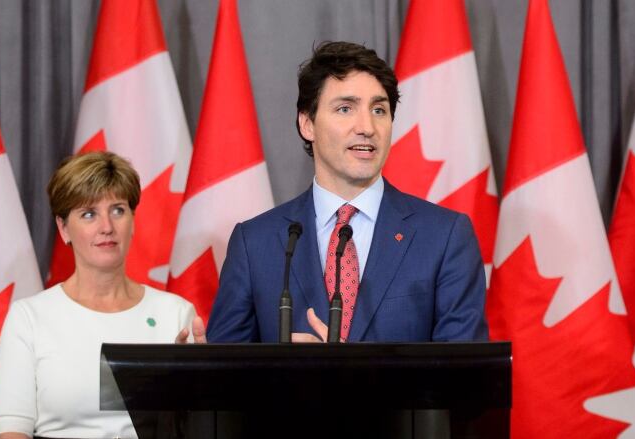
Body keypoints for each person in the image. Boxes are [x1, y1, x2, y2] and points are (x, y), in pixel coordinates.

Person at [206, 41, 488, 343]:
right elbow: (228, 379)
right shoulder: (255, 243)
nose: (367, 126)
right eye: (345, 108)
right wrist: (190, 370)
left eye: (379, 110)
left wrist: (354, 373)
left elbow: (464, 380)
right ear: (307, 124)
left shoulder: (445, 237)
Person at [0, 151, 205, 439]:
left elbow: (197, 428)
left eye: (118, 210)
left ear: (133, 220)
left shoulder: (175, 314)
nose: (107, 227)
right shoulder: (29, 317)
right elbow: (11, 431)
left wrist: (202, 386)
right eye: (89, 214)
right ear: (63, 228)